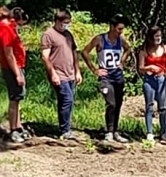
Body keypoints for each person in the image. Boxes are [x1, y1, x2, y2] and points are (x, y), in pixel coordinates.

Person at [82, 14, 130, 142]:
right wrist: (94, 69)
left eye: (122, 29)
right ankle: (108, 131)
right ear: (112, 27)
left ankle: (115, 131)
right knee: (111, 103)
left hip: (118, 76)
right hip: (105, 77)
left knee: (118, 104)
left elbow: (127, 49)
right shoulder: (100, 39)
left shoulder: (121, 40)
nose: (121, 32)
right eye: (119, 29)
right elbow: (85, 52)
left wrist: (122, 63)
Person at [41, 10, 82, 140]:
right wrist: (53, 74)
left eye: (69, 23)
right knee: (67, 100)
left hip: (70, 74)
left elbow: (74, 53)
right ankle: (65, 130)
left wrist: (77, 71)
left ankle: (64, 127)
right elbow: (45, 57)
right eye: (65, 23)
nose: (67, 25)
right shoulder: (48, 35)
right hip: (58, 74)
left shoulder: (68, 35)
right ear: (57, 21)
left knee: (66, 102)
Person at [0, 6, 30, 143]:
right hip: (12, 68)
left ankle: (18, 126)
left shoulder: (11, 27)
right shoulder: (5, 28)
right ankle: (13, 129)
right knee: (14, 98)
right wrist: (17, 74)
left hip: (18, 66)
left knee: (18, 97)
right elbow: (9, 54)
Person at [138, 25, 166, 143]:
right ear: (151, 37)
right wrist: (150, 67)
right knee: (149, 106)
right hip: (149, 80)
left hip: (161, 79)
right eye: (156, 36)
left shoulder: (165, 48)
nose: (159, 38)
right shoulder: (144, 50)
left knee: (163, 107)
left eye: (160, 36)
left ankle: (163, 133)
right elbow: (140, 68)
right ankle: (149, 132)